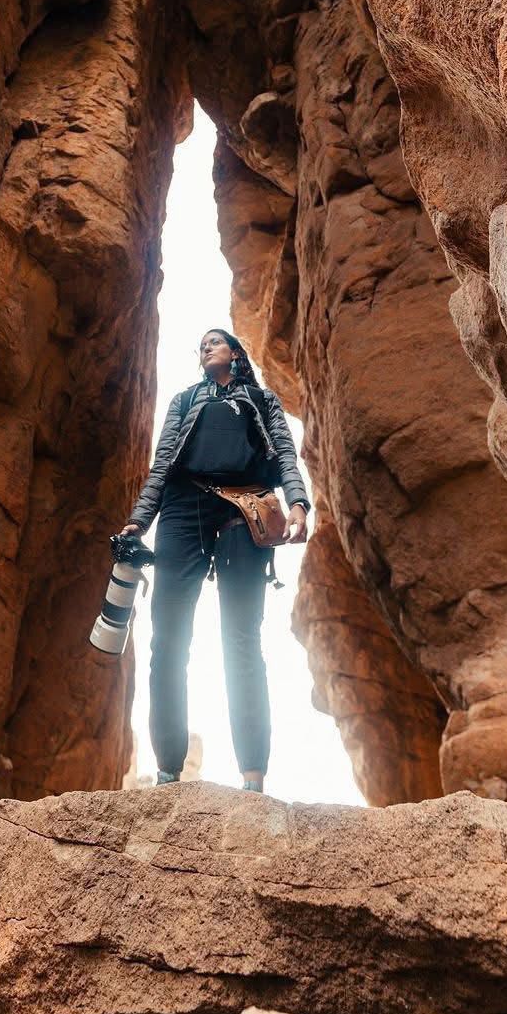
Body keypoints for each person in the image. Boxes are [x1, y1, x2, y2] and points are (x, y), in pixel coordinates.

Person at [121, 328, 309, 793]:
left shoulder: (261, 400)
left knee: (241, 637)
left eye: (215, 341)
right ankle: (168, 770)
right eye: (200, 343)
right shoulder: (186, 401)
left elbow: (285, 452)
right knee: (167, 638)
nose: (205, 346)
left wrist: (299, 503)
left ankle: (253, 776)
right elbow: (162, 464)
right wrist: (139, 521)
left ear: (236, 353)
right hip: (184, 509)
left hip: (244, 508)